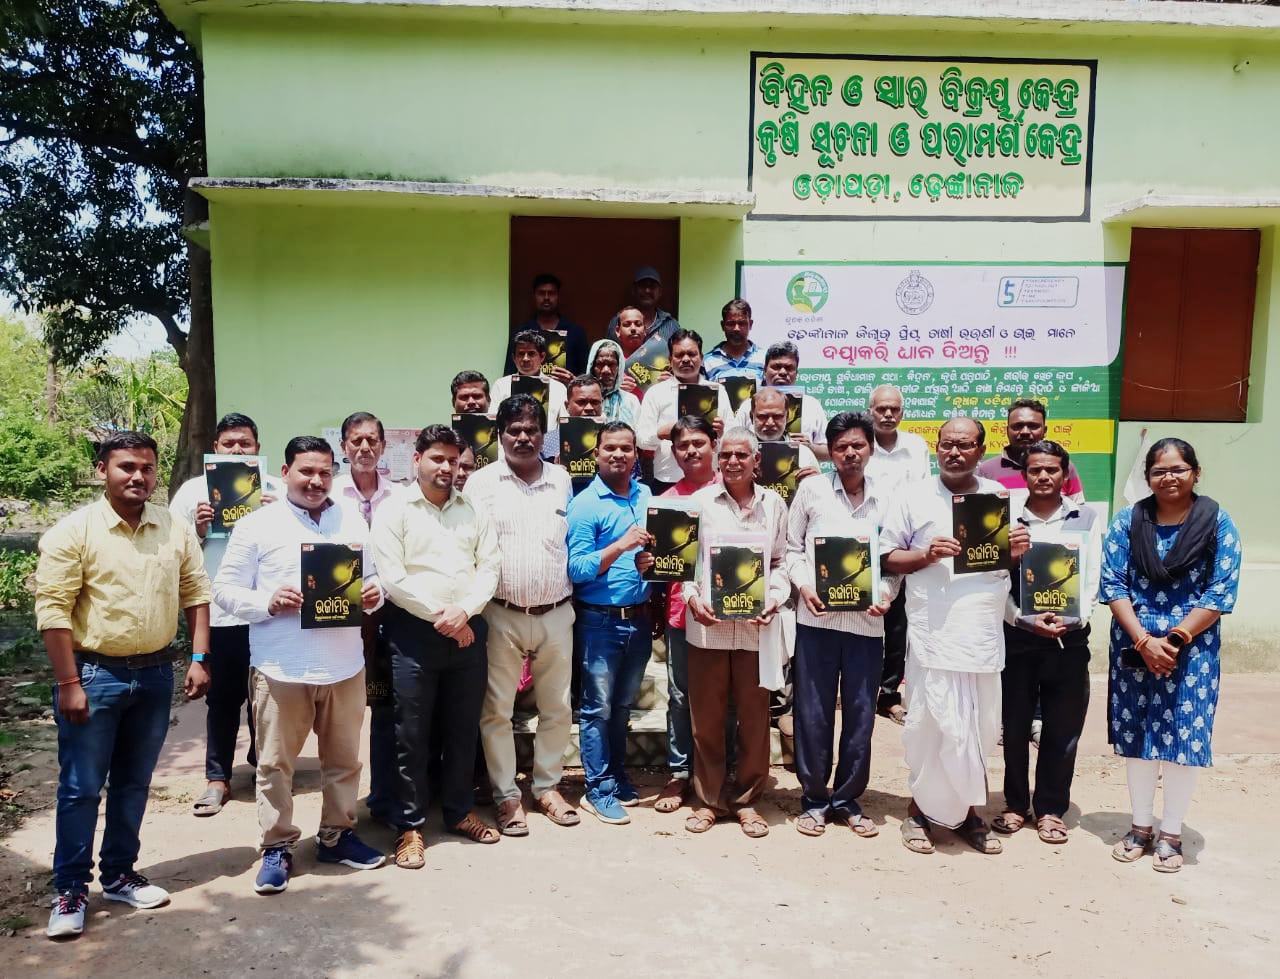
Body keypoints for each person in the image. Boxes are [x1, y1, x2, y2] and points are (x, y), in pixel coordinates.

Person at [37, 431, 212, 939]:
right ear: (102, 471)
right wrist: (69, 681)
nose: (139, 477)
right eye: (127, 467)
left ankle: (118, 874)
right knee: (80, 789)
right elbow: (53, 611)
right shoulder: (75, 531)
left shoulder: (172, 526)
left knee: (134, 783)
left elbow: (197, 591)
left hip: (156, 675)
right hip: (94, 676)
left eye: (147, 468)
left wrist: (199, 657)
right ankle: (70, 889)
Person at [214, 436, 387, 894]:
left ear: (335, 473)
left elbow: (373, 579)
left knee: (345, 761)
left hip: (345, 665)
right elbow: (225, 591)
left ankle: (336, 835)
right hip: (281, 667)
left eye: (325, 472)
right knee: (275, 765)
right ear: (286, 471)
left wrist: (374, 595)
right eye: (306, 471)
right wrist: (267, 602)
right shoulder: (256, 525)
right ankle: (277, 846)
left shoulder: (350, 519)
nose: (315, 481)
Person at [880, 417, 1030, 856]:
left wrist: (1018, 553)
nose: (955, 452)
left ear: (981, 451)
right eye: (947, 444)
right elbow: (888, 557)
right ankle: (918, 813)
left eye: (965, 445)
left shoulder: (999, 498)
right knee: (930, 725)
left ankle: (965, 814)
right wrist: (926, 553)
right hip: (933, 634)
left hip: (981, 634)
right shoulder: (911, 495)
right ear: (937, 447)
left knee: (979, 728)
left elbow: (1011, 568)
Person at [1100, 437, 1240, 873]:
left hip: (1192, 647)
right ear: (1147, 478)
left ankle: (1172, 832)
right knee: (1140, 736)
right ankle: (1140, 827)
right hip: (1134, 640)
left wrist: (1175, 640)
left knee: (1185, 736)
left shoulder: (1218, 523)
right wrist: (1144, 641)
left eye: (1179, 469)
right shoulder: (1128, 520)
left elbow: (1221, 591)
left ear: (1196, 473)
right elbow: (1113, 584)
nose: (1169, 478)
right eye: (1159, 471)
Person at [369, 425, 502, 868]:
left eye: (452, 460)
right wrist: (446, 618)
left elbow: (489, 570)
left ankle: (459, 811)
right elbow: (393, 578)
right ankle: (410, 826)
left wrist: (463, 613)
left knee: (464, 728)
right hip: (413, 635)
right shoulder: (394, 510)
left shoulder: (474, 510)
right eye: (437, 459)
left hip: (468, 629)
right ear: (417, 460)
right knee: (411, 733)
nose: (446, 467)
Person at [465, 395, 580, 835]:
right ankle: (507, 796)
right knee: (496, 710)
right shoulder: (480, 483)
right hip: (501, 612)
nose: (523, 437)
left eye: (532, 429)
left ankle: (547, 786)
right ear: (500, 434)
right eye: (514, 430)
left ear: (543, 433)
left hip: (555, 612)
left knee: (557, 706)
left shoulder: (563, 480)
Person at [785, 412, 897, 839]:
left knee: (861, 716)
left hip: (867, 628)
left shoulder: (888, 495)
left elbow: (892, 562)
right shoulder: (812, 490)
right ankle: (813, 799)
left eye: (858, 445)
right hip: (816, 620)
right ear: (829, 452)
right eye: (840, 447)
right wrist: (804, 585)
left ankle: (848, 798)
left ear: (871, 447)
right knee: (812, 714)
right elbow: (792, 549)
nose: (850, 453)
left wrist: (886, 594)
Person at [169, 412, 282, 818]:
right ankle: (217, 778)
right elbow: (175, 553)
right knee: (222, 699)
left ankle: (260, 766)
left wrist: (278, 513)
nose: (237, 450)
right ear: (215, 448)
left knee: (267, 697)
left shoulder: (276, 490)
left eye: (245, 444)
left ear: (257, 448)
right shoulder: (192, 494)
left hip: (268, 614)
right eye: (229, 444)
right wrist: (198, 529)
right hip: (217, 615)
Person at [681, 428, 788, 839]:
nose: (732, 461)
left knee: (755, 718)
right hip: (707, 630)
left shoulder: (774, 505)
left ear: (756, 460)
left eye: (742, 454)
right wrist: (693, 599)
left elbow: (780, 561)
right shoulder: (699, 503)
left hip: (754, 631)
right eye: (726, 455)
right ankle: (709, 801)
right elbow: (684, 564)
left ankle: (746, 801)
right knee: (706, 720)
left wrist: (774, 598)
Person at [992, 440, 1101, 845]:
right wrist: (1020, 618)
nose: (1043, 476)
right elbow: (994, 581)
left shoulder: (1086, 518)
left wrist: (1074, 619)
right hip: (1019, 636)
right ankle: (1016, 804)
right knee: (1016, 726)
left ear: (1065, 473)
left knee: (1062, 728)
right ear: (1024, 474)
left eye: (1052, 470)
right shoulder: (1006, 520)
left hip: (1069, 641)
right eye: (1035, 469)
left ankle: (1052, 808)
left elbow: (1091, 579)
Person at [566, 422, 655, 825]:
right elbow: (578, 568)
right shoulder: (585, 505)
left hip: (638, 619)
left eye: (626, 448)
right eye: (610, 449)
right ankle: (597, 788)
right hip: (598, 623)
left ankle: (617, 776)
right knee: (596, 708)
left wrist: (647, 564)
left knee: (621, 707)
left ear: (636, 454)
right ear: (597, 454)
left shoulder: (647, 497)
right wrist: (620, 546)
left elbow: (660, 554)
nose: (618, 455)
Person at [331, 411, 400, 827]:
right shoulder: (328, 494)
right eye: (356, 441)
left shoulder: (401, 495)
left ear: (383, 446)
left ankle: (384, 797)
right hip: (341, 618)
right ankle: (339, 807)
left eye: (372, 440)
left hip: (390, 615)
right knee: (343, 712)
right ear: (343, 447)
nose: (364, 448)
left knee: (387, 710)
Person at [651, 415, 719, 815]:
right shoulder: (667, 500)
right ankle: (679, 772)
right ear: (673, 452)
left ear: (713, 444)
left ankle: (718, 771)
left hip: (729, 614)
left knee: (721, 698)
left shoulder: (732, 491)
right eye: (682, 445)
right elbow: (662, 567)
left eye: (698, 442)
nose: (691, 450)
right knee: (680, 695)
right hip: (681, 611)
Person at [865, 384, 931, 725]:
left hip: (902, 545)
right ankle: (857, 690)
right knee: (859, 613)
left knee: (896, 622)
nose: (888, 414)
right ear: (870, 411)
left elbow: (922, 494)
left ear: (902, 412)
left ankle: (888, 694)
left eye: (894, 409)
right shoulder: (861, 442)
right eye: (881, 409)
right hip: (863, 540)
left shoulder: (916, 446)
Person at [636, 328, 731, 491]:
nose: (686, 359)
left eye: (692, 354)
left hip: (710, 482)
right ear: (670, 360)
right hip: (667, 481)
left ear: (701, 358)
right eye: (679, 355)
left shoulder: (717, 391)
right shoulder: (656, 393)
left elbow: (732, 440)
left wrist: (721, 434)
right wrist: (660, 434)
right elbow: (641, 440)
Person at [731, 340, 830, 462]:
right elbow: (731, 444)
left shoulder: (812, 405)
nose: (783, 372)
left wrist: (810, 448)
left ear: (796, 373)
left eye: (789, 368)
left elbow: (830, 452)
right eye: (776, 367)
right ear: (764, 370)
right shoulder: (748, 405)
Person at [979, 398, 1086, 501]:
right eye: (1018, 426)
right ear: (1007, 431)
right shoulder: (986, 470)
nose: (1025, 431)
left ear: (1044, 431)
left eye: (1033, 426)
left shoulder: (1062, 467)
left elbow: (1078, 512)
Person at [492, 330, 568, 456]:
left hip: (547, 457)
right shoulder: (501, 385)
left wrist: (542, 453)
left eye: (531, 354)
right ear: (514, 358)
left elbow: (563, 428)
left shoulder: (559, 388)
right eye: (521, 354)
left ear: (542, 357)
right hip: (508, 455)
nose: (525, 359)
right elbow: (494, 424)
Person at [504, 273, 589, 382]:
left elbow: (586, 376)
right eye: (541, 293)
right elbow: (509, 374)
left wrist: (573, 381)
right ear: (534, 296)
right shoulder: (521, 333)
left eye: (551, 293)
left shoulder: (575, 332)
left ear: (558, 296)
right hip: (526, 395)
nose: (546, 298)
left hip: (566, 394)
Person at [743, 387, 822, 475]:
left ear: (787, 417)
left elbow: (817, 487)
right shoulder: (737, 454)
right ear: (751, 416)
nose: (770, 423)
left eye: (777, 416)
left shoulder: (804, 455)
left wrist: (815, 481)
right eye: (763, 417)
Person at [606, 266, 681, 347]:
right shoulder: (617, 321)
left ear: (660, 292)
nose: (647, 290)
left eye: (652, 286)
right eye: (642, 286)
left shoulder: (671, 325)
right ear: (634, 290)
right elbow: (610, 354)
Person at [703, 299, 766, 382]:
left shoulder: (764, 358)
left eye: (742, 323)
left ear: (750, 324)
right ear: (722, 325)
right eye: (731, 323)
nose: (736, 329)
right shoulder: (707, 361)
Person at [587, 338, 641, 423]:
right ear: (591, 367)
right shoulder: (581, 400)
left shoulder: (631, 401)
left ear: (619, 367)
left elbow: (639, 434)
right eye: (600, 364)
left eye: (611, 364)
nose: (606, 370)